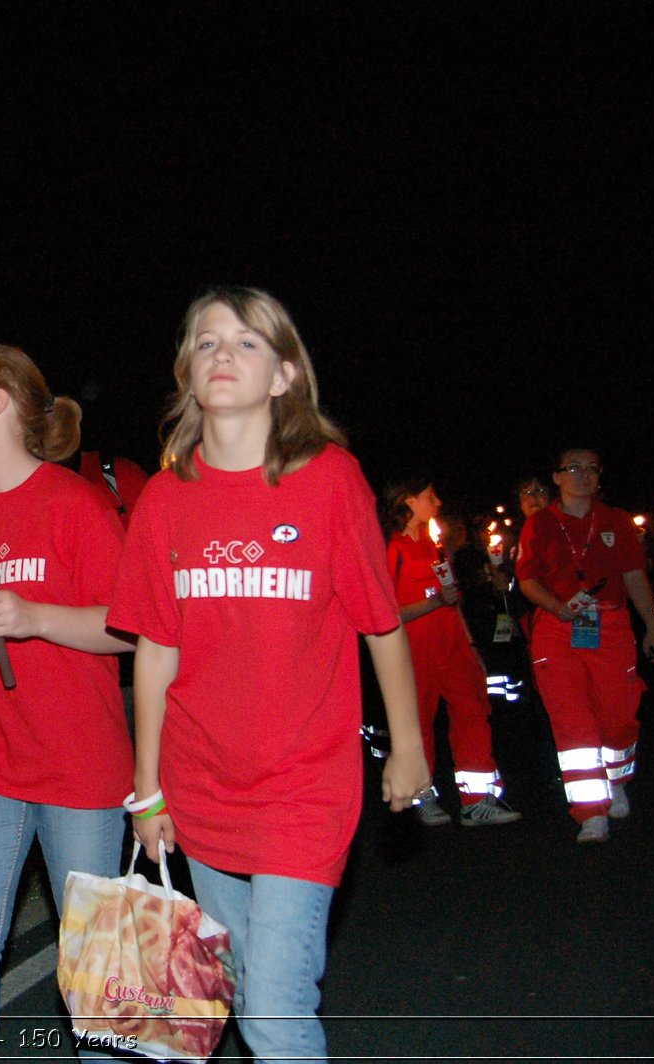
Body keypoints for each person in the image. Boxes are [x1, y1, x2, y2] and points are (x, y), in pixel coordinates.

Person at [107, 287, 430, 1062]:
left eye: (247, 343)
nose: (224, 354)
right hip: (202, 783)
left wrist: (409, 744)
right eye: (207, 341)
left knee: (276, 1002)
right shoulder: (163, 498)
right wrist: (147, 787)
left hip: (305, 783)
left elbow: (380, 623)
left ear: (285, 375)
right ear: (187, 371)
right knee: (252, 978)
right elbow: (155, 649)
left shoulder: (330, 480)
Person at [0, 342, 133, 1061]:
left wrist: (36, 616)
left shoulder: (79, 505)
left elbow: (130, 630)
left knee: (93, 966)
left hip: (80, 765)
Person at [516, 448, 654, 843]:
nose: (584, 475)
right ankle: (589, 812)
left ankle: (616, 779)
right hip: (558, 629)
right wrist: (558, 608)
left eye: (592, 468)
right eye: (574, 468)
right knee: (571, 720)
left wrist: (651, 626)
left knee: (618, 714)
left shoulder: (615, 520)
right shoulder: (540, 524)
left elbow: (634, 576)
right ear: (558, 477)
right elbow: (528, 581)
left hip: (610, 626)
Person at [380, 476, 521, 827]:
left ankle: (478, 800)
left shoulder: (435, 545)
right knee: (418, 722)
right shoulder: (390, 548)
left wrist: (471, 644)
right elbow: (386, 613)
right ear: (409, 500)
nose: (438, 502)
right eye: (430, 495)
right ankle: (421, 796)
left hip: (453, 645)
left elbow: (452, 600)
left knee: (474, 710)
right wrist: (434, 603)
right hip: (413, 650)